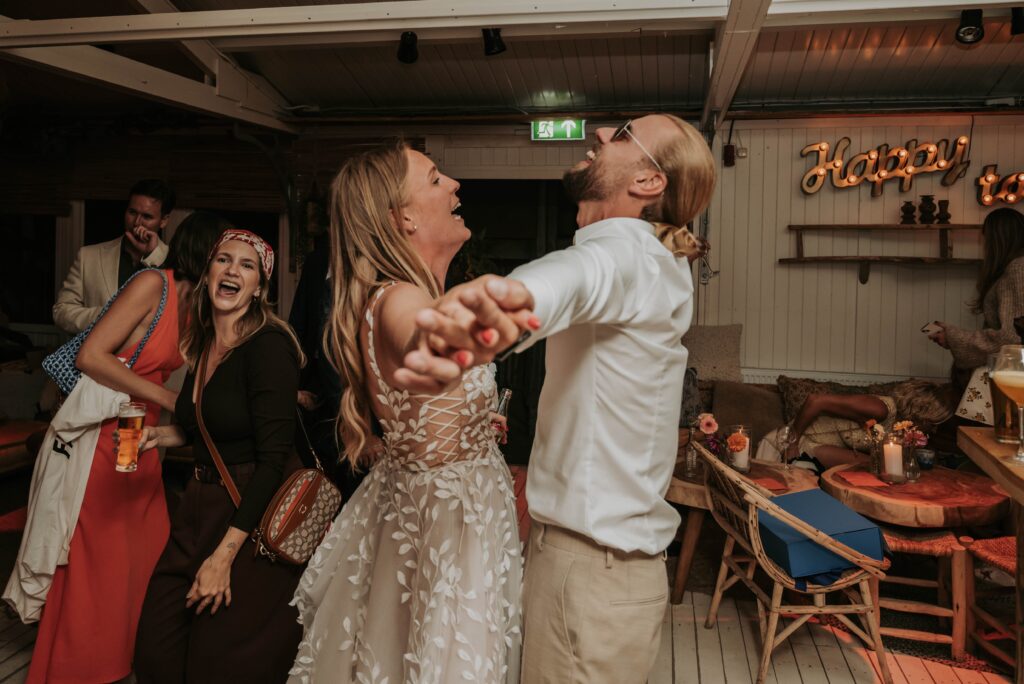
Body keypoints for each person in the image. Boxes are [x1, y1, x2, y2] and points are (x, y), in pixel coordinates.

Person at [396, 115, 717, 684]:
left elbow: (563, 281)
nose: (598, 136)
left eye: (621, 136)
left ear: (647, 182)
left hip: (589, 576)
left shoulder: (622, 255)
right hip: (600, 574)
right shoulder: (652, 258)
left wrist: (469, 323)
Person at [287, 141, 522, 684]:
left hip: (450, 524)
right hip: (445, 541)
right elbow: (429, 347)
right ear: (404, 216)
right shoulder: (399, 301)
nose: (455, 186)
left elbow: (424, 413)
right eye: (437, 178)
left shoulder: (411, 294)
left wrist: (474, 427)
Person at [24, 210, 224, 684]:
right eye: (227, 255)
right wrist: (167, 398)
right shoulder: (154, 285)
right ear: (207, 251)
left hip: (142, 441)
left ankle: (127, 664)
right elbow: (90, 355)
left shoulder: (196, 305)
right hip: (102, 438)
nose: (233, 268)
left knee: (148, 558)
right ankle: (81, 670)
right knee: (99, 567)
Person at [132, 229, 305, 683]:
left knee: (219, 664)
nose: (232, 270)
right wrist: (159, 437)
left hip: (250, 517)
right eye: (223, 260)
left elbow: (272, 459)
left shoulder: (269, 347)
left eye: (246, 265)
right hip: (196, 509)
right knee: (155, 651)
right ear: (208, 274)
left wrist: (225, 556)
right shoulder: (205, 344)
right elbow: (204, 427)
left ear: (260, 288)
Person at [53, 179, 177, 334]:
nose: (137, 223)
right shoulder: (89, 256)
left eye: (147, 216)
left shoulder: (174, 261)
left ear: (164, 221)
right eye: (132, 212)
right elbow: (61, 312)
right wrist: (107, 317)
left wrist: (153, 257)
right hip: (93, 356)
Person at [757, 379, 958, 471]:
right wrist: (791, 443)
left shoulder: (899, 428)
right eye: (934, 422)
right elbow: (815, 400)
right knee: (870, 467)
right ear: (923, 411)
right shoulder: (881, 409)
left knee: (879, 468)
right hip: (787, 445)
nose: (935, 429)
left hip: (820, 447)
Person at [929, 207, 1024, 374]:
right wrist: (952, 334)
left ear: (998, 239)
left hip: (1011, 376)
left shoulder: (1018, 269)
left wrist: (953, 337)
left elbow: (1012, 337)